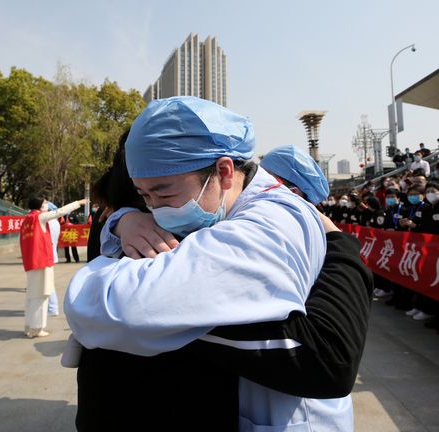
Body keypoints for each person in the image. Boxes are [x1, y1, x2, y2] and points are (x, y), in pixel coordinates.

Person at [65, 97, 351, 430]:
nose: (157, 210)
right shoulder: (205, 211)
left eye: (164, 193)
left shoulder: (263, 227)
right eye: (144, 197)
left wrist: (96, 274)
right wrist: (121, 219)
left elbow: (120, 306)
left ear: (224, 171)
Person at [20, 196, 86, 338]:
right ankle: (37, 328)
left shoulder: (27, 219)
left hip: (32, 262)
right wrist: (78, 203)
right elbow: (59, 212)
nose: (46, 206)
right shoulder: (39, 217)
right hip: (41, 261)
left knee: (32, 296)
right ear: (39, 205)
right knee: (41, 295)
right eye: (44, 203)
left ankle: (29, 325)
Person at [46, 202, 62, 318]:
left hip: (46, 256)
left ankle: (52, 308)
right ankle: (51, 307)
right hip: (50, 255)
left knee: (48, 283)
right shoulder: (55, 222)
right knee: (47, 282)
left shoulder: (48, 222)